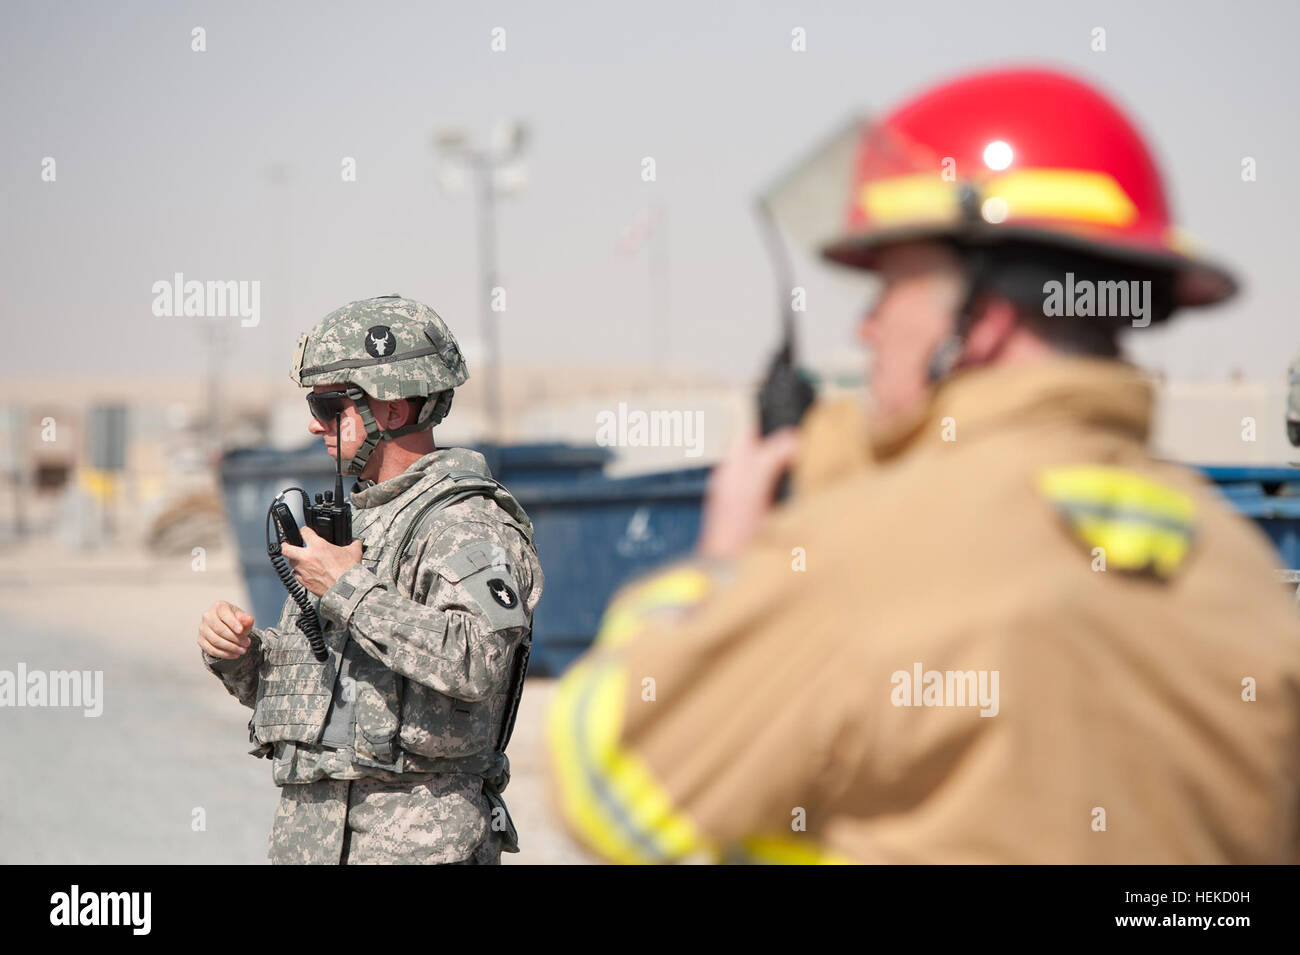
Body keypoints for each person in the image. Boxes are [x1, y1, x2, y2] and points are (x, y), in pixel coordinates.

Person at [545, 67, 1300, 863]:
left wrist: (721, 570)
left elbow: (606, 780)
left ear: (983, 321)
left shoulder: (862, 561)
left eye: (892, 285)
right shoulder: (1244, 581)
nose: (868, 326)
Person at [198, 294, 542, 864]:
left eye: (330, 405)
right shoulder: (356, 523)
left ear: (394, 411)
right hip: (314, 842)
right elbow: (317, 695)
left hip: (417, 844)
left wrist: (347, 588)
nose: (314, 423)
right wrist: (241, 656)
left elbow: (477, 660)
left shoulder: (464, 523)